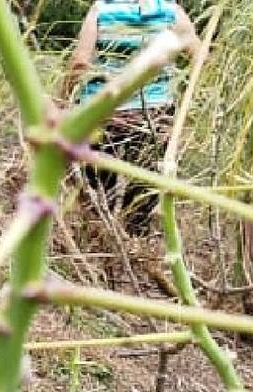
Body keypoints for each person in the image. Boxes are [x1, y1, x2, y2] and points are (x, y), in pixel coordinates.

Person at [63, 0, 203, 233]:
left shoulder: (102, 10)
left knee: (97, 192)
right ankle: (135, 242)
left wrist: (64, 98)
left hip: (104, 113)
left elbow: (79, 63)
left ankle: (98, 240)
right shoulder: (171, 12)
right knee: (142, 195)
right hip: (155, 116)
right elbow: (199, 58)